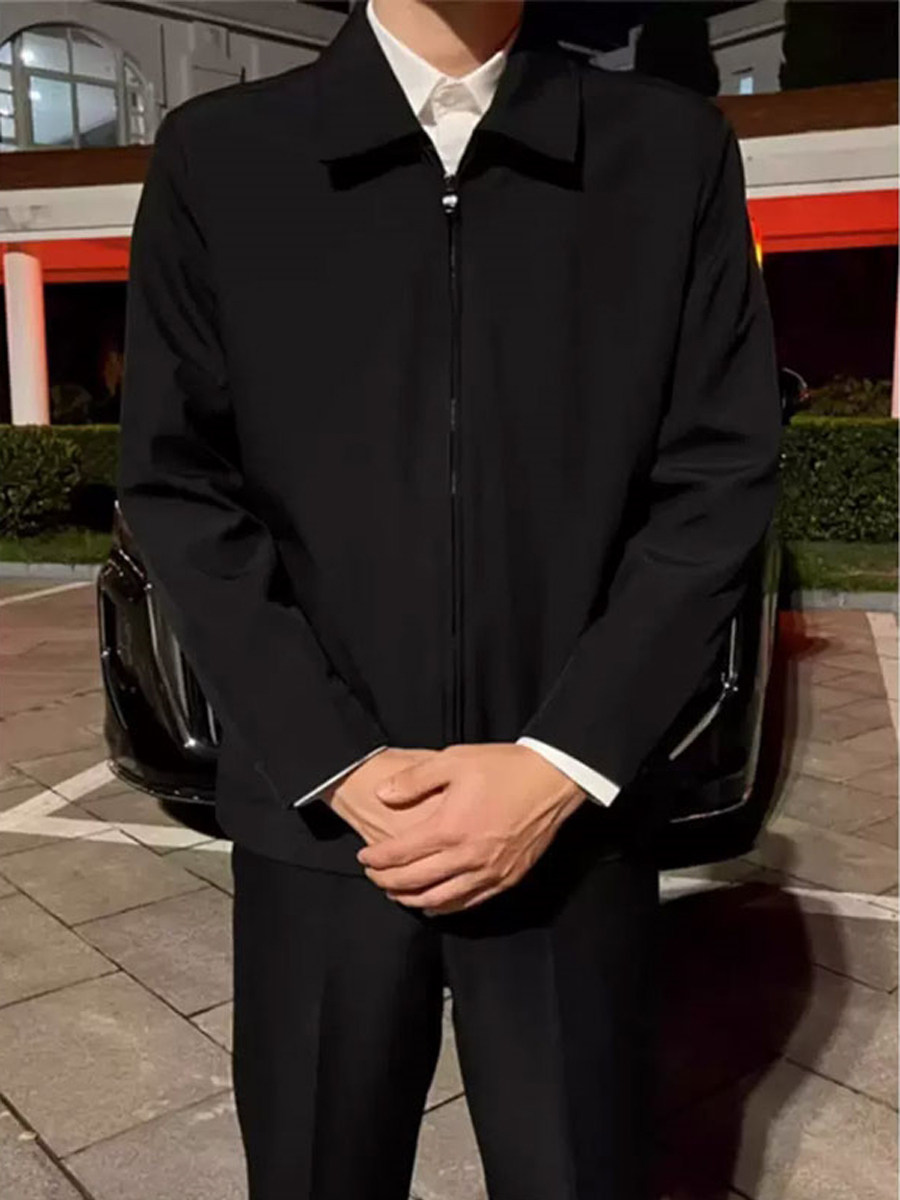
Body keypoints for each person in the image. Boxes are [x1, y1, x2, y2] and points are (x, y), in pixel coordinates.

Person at [116, 0, 783, 1196]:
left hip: (568, 825)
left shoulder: (667, 150)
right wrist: (333, 760)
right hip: (325, 824)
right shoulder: (221, 156)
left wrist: (562, 763)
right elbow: (177, 487)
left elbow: (718, 484)